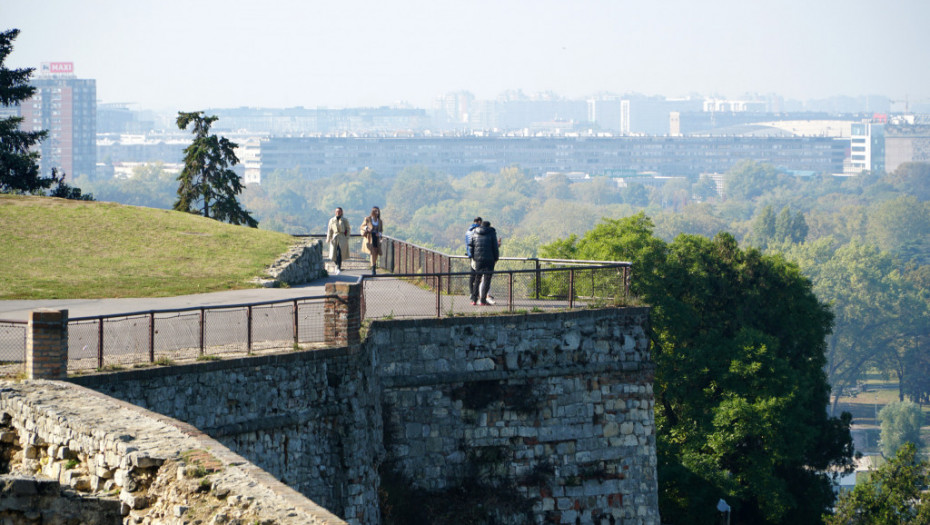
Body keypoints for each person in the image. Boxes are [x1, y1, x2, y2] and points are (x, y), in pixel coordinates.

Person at [468, 220, 499, 306]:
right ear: (489, 226)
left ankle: (474, 300)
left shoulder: (475, 232)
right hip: (489, 260)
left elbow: (471, 246)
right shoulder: (492, 233)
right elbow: (495, 247)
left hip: (478, 260)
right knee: (487, 280)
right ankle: (482, 300)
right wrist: (496, 258)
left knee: (477, 279)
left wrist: (474, 257)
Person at [360, 206, 384, 275]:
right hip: (370, 238)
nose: (377, 212)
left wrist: (379, 234)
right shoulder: (368, 219)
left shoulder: (380, 221)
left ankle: (373, 265)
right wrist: (367, 228)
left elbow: (381, 230)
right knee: (373, 252)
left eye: (378, 211)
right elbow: (362, 226)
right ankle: (373, 267)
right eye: (375, 211)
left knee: (376, 252)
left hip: (376, 238)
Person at [326, 207, 350, 275]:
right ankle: (337, 265)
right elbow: (329, 229)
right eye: (337, 211)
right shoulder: (332, 220)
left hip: (342, 237)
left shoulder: (345, 220)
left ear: (342, 212)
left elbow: (348, 229)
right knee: (333, 254)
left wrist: (347, 237)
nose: (338, 213)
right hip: (334, 237)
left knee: (340, 253)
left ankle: (339, 268)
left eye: (339, 211)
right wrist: (328, 238)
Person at [465, 216, 482, 304]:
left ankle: (472, 293)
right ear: (479, 222)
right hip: (477, 255)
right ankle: (476, 295)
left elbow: (468, 243)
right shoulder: (476, 231)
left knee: (472, 275)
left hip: (470, 255)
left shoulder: (468, 231)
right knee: (478, 277)